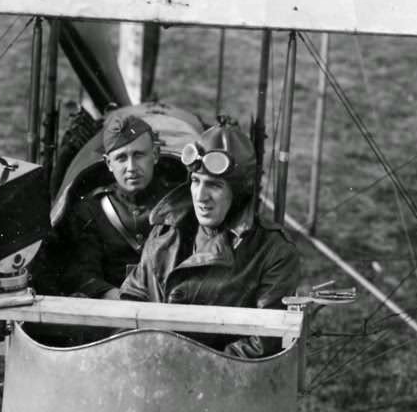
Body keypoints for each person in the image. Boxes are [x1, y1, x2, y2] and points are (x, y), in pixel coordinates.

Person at [118, 119, 301, 357]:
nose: (201, 197)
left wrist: (187, 365)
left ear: (238, 192)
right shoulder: (164, 230)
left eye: (214, 185)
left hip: (215, 382)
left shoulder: (273, 252)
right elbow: (132, 298)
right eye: (195, 181)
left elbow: (263, 343)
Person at [59, 112, 176, 299]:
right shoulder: (91, 211)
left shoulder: (178, 204)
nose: (131, 167)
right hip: (112, 312)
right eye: (121, 158)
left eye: (139, 155)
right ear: (109, 163)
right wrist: (118, 298)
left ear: (155, 155)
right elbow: (82, 274)